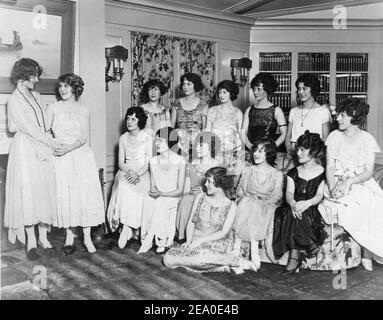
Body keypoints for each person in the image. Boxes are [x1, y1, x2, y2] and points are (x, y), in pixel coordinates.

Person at [318, 98, 383, 271]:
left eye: (341, 115)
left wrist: (350, 181)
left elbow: (368, 171)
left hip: (360, 181)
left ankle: (367, 253)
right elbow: (330, 167)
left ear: (353, 117)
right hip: (336, 181)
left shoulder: (367, 139)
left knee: (374, 204)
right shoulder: (334, 137)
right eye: (338, 114)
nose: (337, 118)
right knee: (348, 207)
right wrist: (332, 187)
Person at [4, 58, 58, 260]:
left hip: (41, 145)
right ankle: (31, 242)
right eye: (33, 75)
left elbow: (44, 123)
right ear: (23, 76)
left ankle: (44, 239)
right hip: (26, 149)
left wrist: (51, 138)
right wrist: (51, 143)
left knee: (44, 190)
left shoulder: (36, 95)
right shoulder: (14, 100)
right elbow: (25, 127)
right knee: (28, 192)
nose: (36, 79)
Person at [49, 73, 105, 253]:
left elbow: (83, 138)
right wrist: (56, 146)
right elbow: (45, 132)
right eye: (61, 86)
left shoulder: (83, 109)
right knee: (66, 196)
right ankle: (69, 238)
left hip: (80, 156)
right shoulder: (53, 108)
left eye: (66, 86)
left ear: (75, 88)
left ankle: (88, 238)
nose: (62, 89)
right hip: (61, 157)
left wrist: (68, 148)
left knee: (83, 196)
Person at [163, 167, 257, 273]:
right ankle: (216, 267)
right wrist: (189, 241)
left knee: (200, 257)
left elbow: (223, 233)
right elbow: (191, 222)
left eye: (209, 181)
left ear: (219, 184)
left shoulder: (231, 206)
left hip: (216, 244)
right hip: (195, 242)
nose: (205, 184)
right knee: (168, 258)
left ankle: (235, 261)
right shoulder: (200, 198)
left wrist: (199, 242)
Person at [273, 131, 327, 276]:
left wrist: (307, 203)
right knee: (291, 214)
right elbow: (289, 194)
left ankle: (294, 259)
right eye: (298, 148)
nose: (298, 152)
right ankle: (310, 244)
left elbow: (319, 195)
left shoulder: (323, 172)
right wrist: (293, 203)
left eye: (302, 149)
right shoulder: (293, 172)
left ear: (314, 152)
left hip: (311, 207)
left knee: (301, 215)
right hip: (293, 205)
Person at [233, 138, 283, 270]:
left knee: (255, 206)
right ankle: (236, 249)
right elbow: (240, 191)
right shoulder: (248, 170)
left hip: (267, 205)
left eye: (261, 151)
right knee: (248, 203)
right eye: (255, 150)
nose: (255, 153)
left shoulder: (277, 174)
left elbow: (277, 195)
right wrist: (251, 198)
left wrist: (263, 201)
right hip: (247, 203)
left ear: (269, 153)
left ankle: (254, 249)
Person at [106, 107, 152, 249]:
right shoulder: (123, 138)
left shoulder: (147, 138)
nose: (129, 121)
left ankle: (128, 228)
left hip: (142, 171)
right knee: (124, 186)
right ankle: (126, 227)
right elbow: (121, 162)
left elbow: (148, 161)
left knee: (138, 190)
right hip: (126, 169)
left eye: (133, 119)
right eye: (128, 118)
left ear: (140, 121)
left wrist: (137, 174)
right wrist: (129, 171)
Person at [138, 127, 186, 254]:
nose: (157, 143)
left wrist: (162, 194)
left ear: (170, 142)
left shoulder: (180, 160)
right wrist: (154, 192)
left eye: (161, 141)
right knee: (147, 200)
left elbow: (180, 190)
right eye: (156, 140)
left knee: (161, 202)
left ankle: (162, 240)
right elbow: (153, 185)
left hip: (173, 197)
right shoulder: (153, 161)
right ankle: (146, 238)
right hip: (160, 196)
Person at [175, 131, 221, 243]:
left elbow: (220, 192)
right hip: (192, 198)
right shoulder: (191, 165)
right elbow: (185, 191)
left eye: (201, 145)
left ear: (211, 147)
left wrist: (204, 191)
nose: (197, 148)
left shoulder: (218, 166)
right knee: (186, 200)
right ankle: (183, 238)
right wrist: (192, 192)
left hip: (210, 199)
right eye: (196, 145)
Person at [285, 74, 331, 156]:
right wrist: (290, 153)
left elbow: (325, 138)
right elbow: (288, 137)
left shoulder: (323, 111)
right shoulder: (293, 111)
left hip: (313, 157)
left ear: (312, 89)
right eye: (299, 89)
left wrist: (311, 156)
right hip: (294, 156)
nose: (301, 92)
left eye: (304, 89)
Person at [241, 73, 287, 151]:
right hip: (251, 151)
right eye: (254, 89)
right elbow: (243, 132)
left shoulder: (276, 110)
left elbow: (284, 134)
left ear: (267, 90)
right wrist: (251, 147)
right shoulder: (249, 110)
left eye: (259, 89)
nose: (255, 92)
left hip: (269, 152)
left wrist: (271, 148)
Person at [171, 73, 209, 161]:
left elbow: (205, 129)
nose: (185, 87)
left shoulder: (203, 104)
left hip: (197, 145)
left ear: (195, 85)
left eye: (189, 84)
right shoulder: (176, 103)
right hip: (180, 143)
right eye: (184, 84)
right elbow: (171, 127)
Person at [206, 80, 243, 168]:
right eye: (219, 92)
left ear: (231, 93)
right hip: (214, 154)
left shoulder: (238, 113)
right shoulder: (212, 111)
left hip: (232, 155)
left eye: (224, 92)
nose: (221, 95)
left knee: (231, 179)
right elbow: (207, 134)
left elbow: (240, 136)